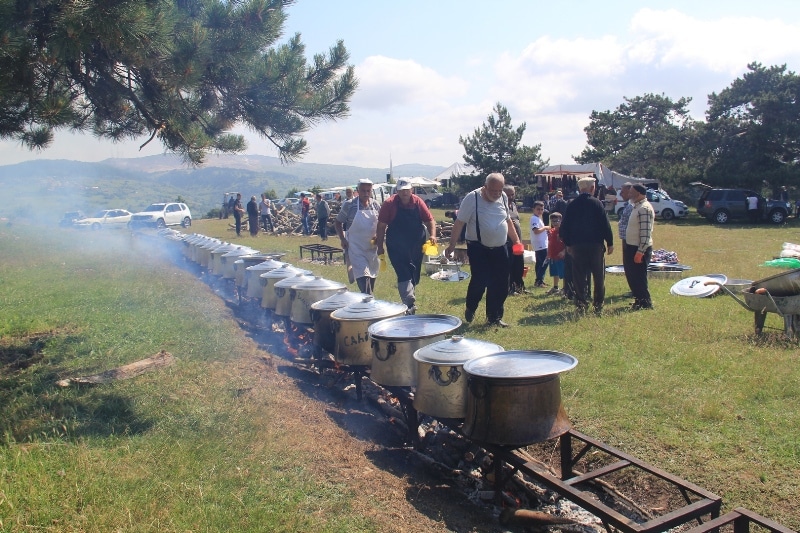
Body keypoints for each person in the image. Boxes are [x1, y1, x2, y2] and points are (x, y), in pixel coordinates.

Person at [445, 173, 522, 328]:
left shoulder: (503, 198)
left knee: (500, 283)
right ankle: (471, 307)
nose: (497, 194)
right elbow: (459, 223)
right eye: (493, 190)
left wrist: (516, 241)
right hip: (478, 247)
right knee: (480, 280)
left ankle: (494, 318)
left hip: (500, 248)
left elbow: (507, 220)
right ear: (485, 187)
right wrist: (452, 245)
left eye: (499, 190)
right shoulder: (472, 199)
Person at [375, 178, 436, 312]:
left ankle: (409, 299)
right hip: (396, 245)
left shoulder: (418, 202)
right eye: (402, 190)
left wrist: (432, 235)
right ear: (397, 191)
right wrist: (380, 246)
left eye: (407, 190)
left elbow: (429, 220)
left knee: (414, 274)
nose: (405, 193)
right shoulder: (389, 204)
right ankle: (409, 303)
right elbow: (381, 226)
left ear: (411, 190)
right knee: (403, 272)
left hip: (416, 244)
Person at [559, 177, 614, 314]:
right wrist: (610, 242)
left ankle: (581, 303)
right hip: (595, 245)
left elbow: (564, 227)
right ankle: (598, 303)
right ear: (592, 188)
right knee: (598, 275)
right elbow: (605, 225)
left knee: (579, 275)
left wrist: (568, 244)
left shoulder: (572, 204)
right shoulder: (597, 203)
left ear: (579, 189)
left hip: (577, 246)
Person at [335, 179, 380, 294]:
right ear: (358, 191)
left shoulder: (375, 205)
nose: (366, 193)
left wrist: (379, 236)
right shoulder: (350, 205)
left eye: (368, 191)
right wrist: (343, 239)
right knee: (365, 284)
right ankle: (369, 307)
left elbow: (381, 224)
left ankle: (365, 307)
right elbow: (338, 222)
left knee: (371, 280)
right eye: (363, 191)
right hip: (356, 249)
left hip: (372, 250)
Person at [623, 184, 655, 310]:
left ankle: (645, 303)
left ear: (639, 193)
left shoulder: (644, 209)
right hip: (631, 246)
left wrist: (640, 251)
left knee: (639, 277)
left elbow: (645, 232)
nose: (629, 194)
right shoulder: (636, 207)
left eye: (632, 192)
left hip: (639, 248)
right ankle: (638, 300)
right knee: (633, 276)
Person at [504, 185, 525, 295]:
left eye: (512, 194)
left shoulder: (513, 206)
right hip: (507, 242)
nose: (511, 197)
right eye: (508, 195)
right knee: (510, 267)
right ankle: (510, 288)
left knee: (519, 265)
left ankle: (520, 287)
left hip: (517, 242)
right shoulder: (501, 207)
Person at [545, 212, 565, 295]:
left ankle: (565, 289)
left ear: (561, 221)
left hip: (561, 256)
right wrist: (548, 254)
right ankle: (555, 287)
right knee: (555, 272)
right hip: (553, 256)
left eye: (557, 221)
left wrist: (564, 252)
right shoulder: (551, 231)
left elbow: (567, 243)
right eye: (553, 221)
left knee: (563, 273)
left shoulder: (563, 232)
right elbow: (550, 243)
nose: (555, 223)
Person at [530, 201, 549, 288]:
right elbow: (536, 231)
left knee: (540, 262)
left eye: (541, 209)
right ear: (533, 209)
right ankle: (539, 280)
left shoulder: (538, 218)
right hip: (540, 244)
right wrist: (545, 227)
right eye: (538, 209)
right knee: (543, 262)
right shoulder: (534, 219)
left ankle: (539, 280)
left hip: (542, 243)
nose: (540, 211)